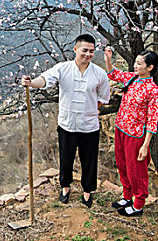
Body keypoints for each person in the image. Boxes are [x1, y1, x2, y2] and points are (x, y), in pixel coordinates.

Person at [22, 34, 110, 207]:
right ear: (75, 49)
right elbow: (45, 80)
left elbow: (103, 98)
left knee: (89, 160)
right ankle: (65, 187)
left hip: (89, 126)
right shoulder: (63, 68)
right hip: (67, 124)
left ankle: (87, 191)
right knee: (66, 158)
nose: (88, 54)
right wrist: (31, 83)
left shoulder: (99, 74)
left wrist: (90, 110)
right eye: (84, 50)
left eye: (92, 51)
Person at [104, 47, 158, 217]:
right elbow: (113, 74)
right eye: (135, 62)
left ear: (150, 67)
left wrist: (145, 145)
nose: (135, 66)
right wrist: (108, 59)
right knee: (122, 165)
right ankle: (127, 196)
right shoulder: (132, 79)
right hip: (121, 129)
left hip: (136, 135)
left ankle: (138, 204)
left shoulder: (153, 91)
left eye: (139, 63)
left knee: (136, 170)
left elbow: (152, 120)